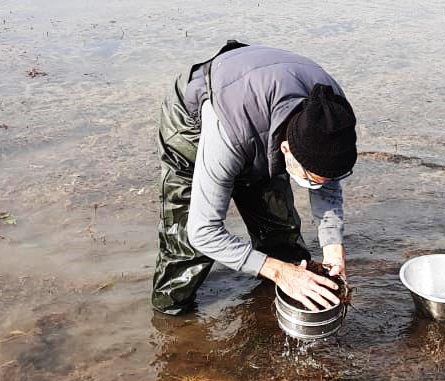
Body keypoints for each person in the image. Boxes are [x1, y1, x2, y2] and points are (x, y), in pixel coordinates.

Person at [152, 41, 357, 315]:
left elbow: (327, 182)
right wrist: (279, 272)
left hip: (263, 106)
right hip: (197, 120)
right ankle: (171, 318)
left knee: (280, 235)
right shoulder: (228, 139)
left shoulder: (332, 115)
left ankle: (270, 310)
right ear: (286, 150)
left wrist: (333, 249)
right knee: (188, 250)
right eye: (313, 178)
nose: (320, 185)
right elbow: (203, 232)